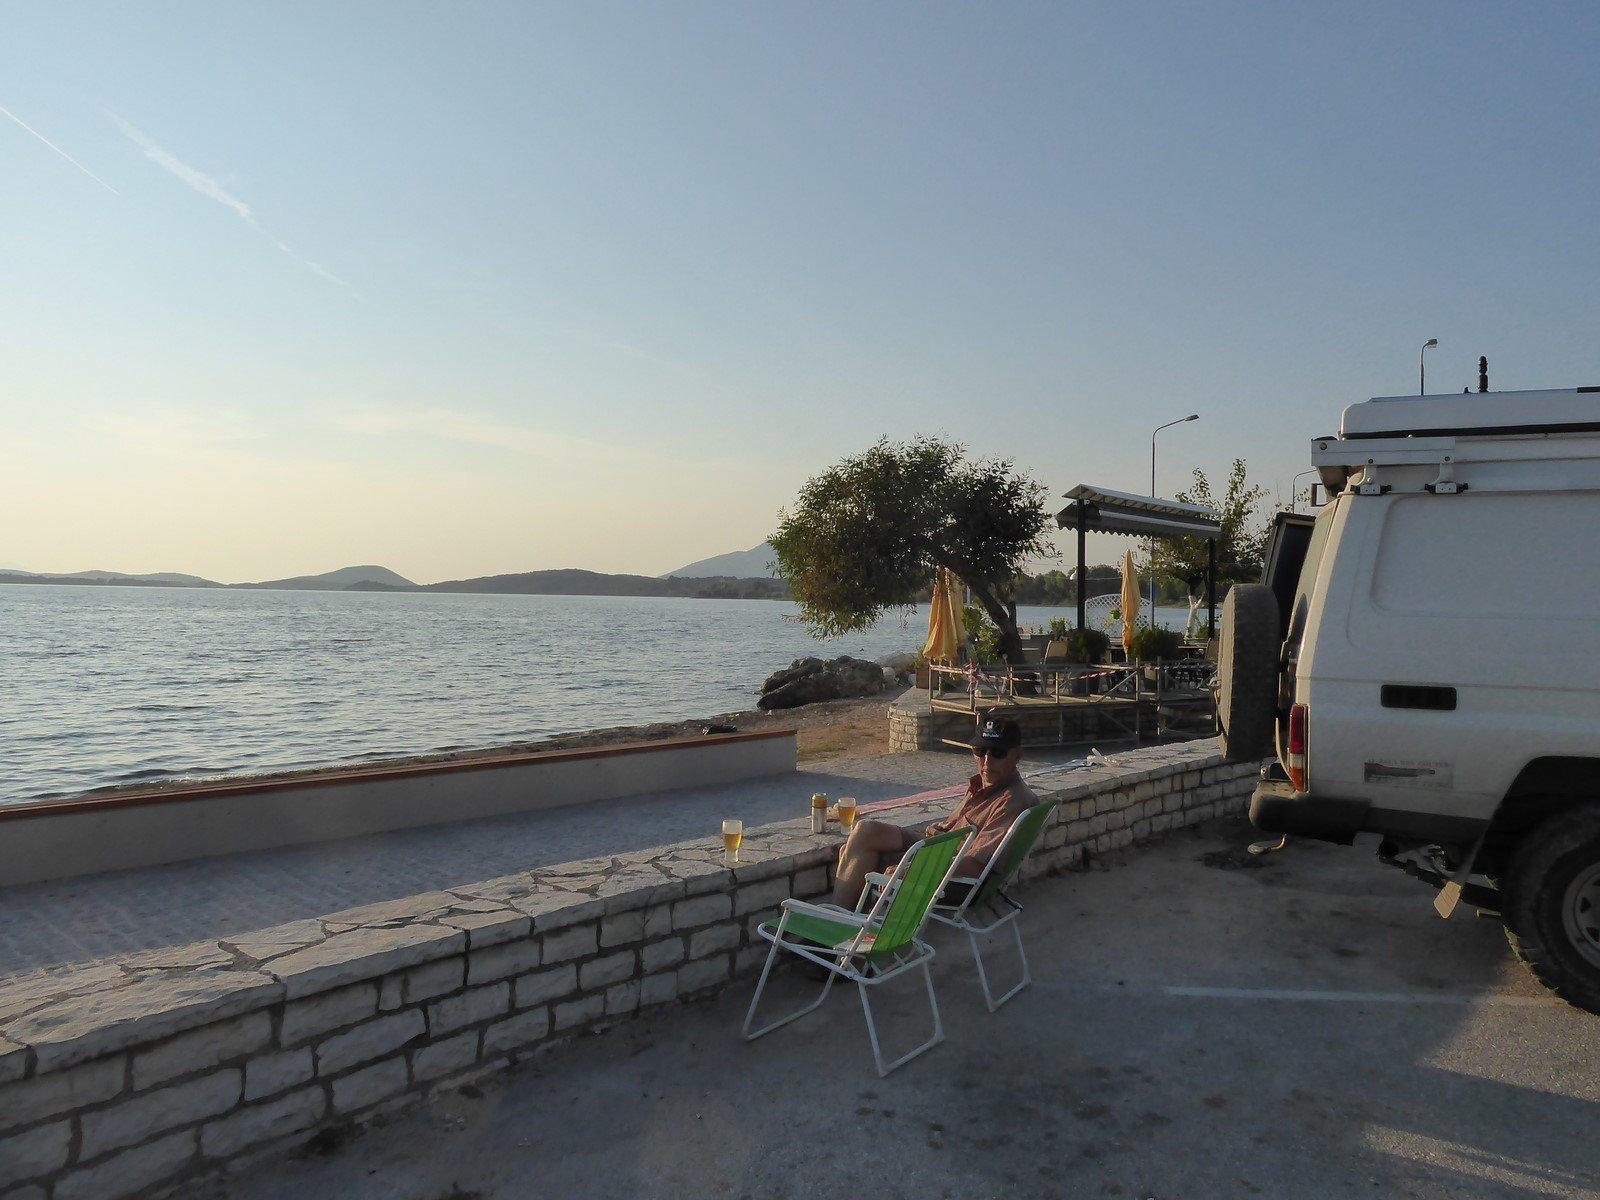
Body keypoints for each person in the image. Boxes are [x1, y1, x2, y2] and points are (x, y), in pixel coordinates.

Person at [831, 715, 1037, 910]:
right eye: (980, 751)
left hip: (955, 878)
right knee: (866, 831)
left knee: (858, 855)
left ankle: (841, 921)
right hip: (939, 849)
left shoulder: (1011, 801)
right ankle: (844, 918)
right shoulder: (984, 786)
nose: (986, 762)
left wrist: (914, 869)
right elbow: (955, 829)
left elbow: (976, 865)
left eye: (998, 753)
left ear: (1017, 755)